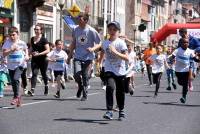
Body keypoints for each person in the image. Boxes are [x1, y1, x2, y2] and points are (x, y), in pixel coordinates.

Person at [67, 13, 101, 101]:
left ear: (86, 21)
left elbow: (100, 43)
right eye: (78, 19)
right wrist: (69, 56)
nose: (78, 21)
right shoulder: (75, 29)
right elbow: (74, 43)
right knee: (76, 74)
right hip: (77, 56)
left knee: (85, 76)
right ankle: (80, 87)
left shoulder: (91, 31)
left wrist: (93, 48)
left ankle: (85, 94)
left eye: (80, 20)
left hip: (88, 57)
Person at [99, 21, 129, 121]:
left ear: (118, 31)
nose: (112, 31)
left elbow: (126, 57)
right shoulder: (105, 43)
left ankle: (121, 111)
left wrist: (115, 52)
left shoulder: (121, 43)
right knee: (110, 87)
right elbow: (102, 53)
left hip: (120, 70)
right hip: (109, 68)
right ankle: (109, 111)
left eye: (114, 30)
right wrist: (99, 63)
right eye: (110, 29)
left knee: (120, 91)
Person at [2, 26, 29, 106]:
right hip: (10, 65)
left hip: (20, 64)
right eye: (10, 35)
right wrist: (11, 50)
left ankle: (15, 97)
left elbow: (25, 50)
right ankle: (18, 97)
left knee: (15, 78)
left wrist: (27, 55)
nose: (12, 37)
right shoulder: (7, 43)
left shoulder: (22, 43)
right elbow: (4, 54)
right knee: (13, 82)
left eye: (13, 35)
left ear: (18, 34)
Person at [170, 37, 200, 103]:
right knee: (180, 83)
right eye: (184, 42)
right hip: (178, 70)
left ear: (188, 44)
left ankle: (184, 97)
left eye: (187, 42)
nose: (185, 44)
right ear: (181, 44)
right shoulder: (177, 50)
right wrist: (171, 60)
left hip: (186, 70)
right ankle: (184, 88)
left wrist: (198, 59)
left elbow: (195, 59)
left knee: (185, 84)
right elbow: (172, 57)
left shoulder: (190, 51)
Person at [28, 24, 50, 96]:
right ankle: (32, 90)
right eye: (35, 29)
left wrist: (39, 54)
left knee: (43, 74)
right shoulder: (32, 39)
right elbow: (31, 48)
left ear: (41, 31)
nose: (36, 31)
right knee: (34, 73)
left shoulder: (44, 39)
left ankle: (46, 86)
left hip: (43, 59)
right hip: (35, 59)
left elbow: (48, 50)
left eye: (38, 29)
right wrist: (29, 53)